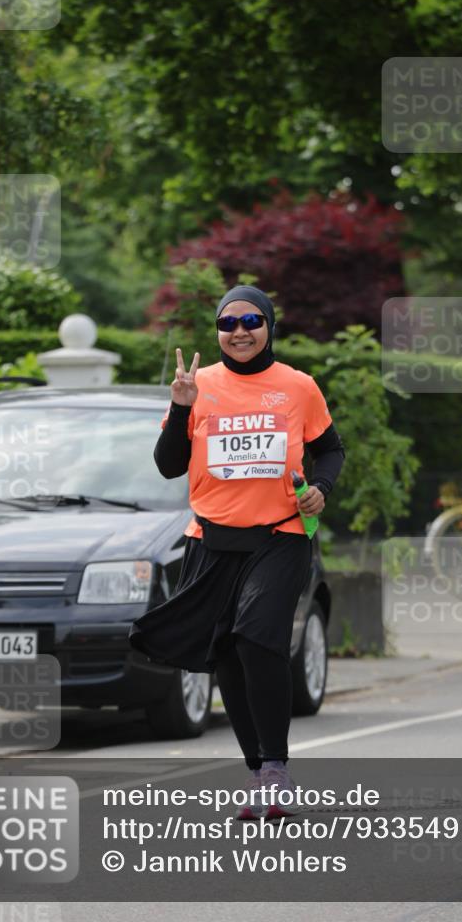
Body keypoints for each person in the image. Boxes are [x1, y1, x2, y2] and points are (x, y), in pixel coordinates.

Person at [128, 284, 345, 819]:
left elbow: (330, 449)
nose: (240, 331)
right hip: (213, 539)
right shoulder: (197, 385)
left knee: (256, 636)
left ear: (269, 325)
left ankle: (276, 767)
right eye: (228, 323)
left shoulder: (297, 387)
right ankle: (258, 772)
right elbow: (168, 464)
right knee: (224, 648)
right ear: (218, 332)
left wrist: (322, 486)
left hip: (282, 533)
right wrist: (181, 409)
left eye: (251, 320)